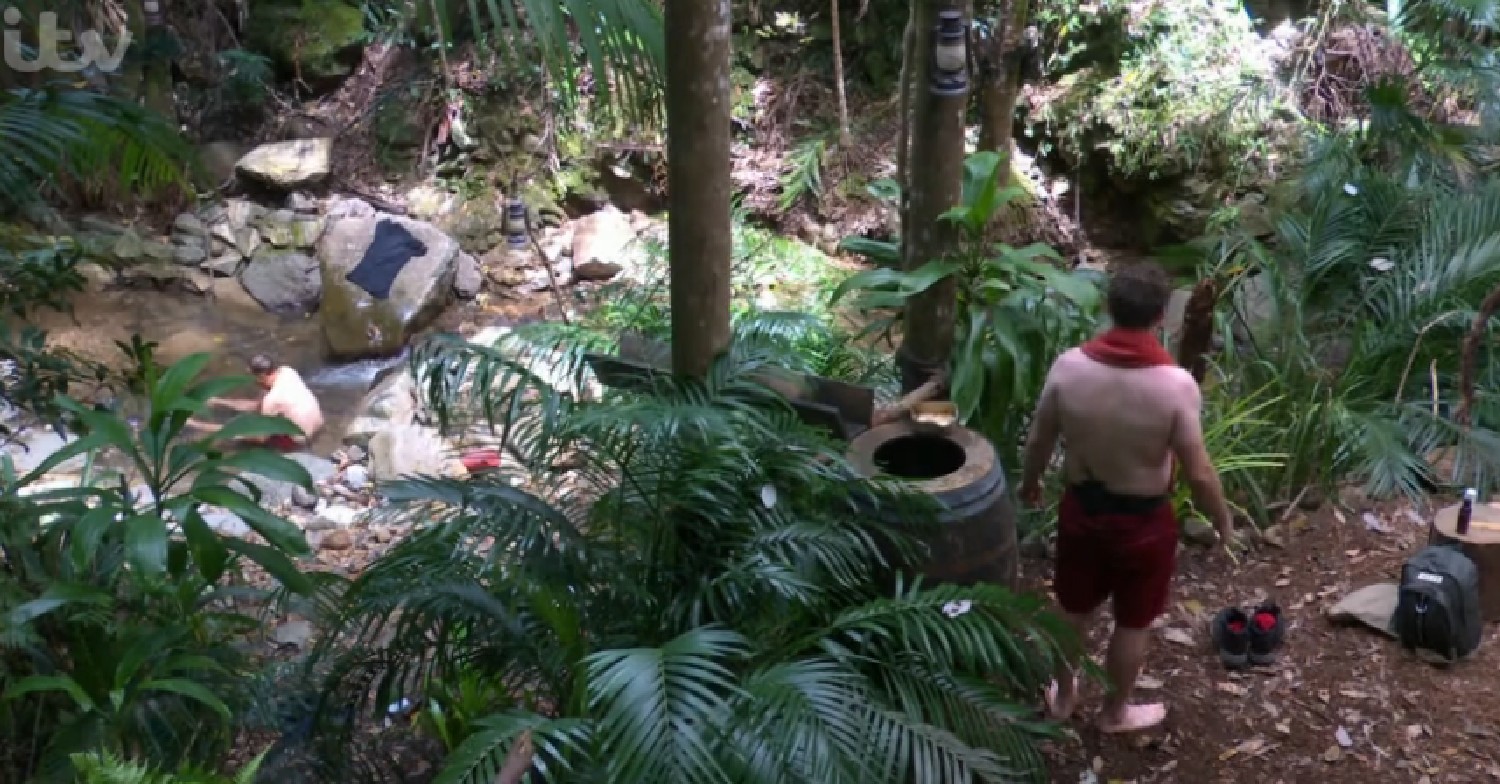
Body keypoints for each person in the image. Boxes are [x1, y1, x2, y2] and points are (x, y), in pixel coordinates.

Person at [1018, 262, 1234, 734]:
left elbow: (1038, 440)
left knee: (1072, 607)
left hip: (1082, 508)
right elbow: (1197, 471)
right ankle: (1115, 712)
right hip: (1143, 522)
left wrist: (1029, 482)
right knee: (1133, 621)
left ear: (1108, 308)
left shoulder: (1068, 367)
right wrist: (1223, 520)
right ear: (1161, 318)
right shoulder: (1176, 385)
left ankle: (1064, 696)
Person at [190, 354, 324, 452]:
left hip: (297, 441)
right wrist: (219, 401)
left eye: (252, 377)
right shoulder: (287, 371)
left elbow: (260, 438)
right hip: (318, 425)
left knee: (243, 436)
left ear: (261, 376)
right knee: (258, 412)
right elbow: (258, 405)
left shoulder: (272, 400)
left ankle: (197, 425)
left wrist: (198, 425)